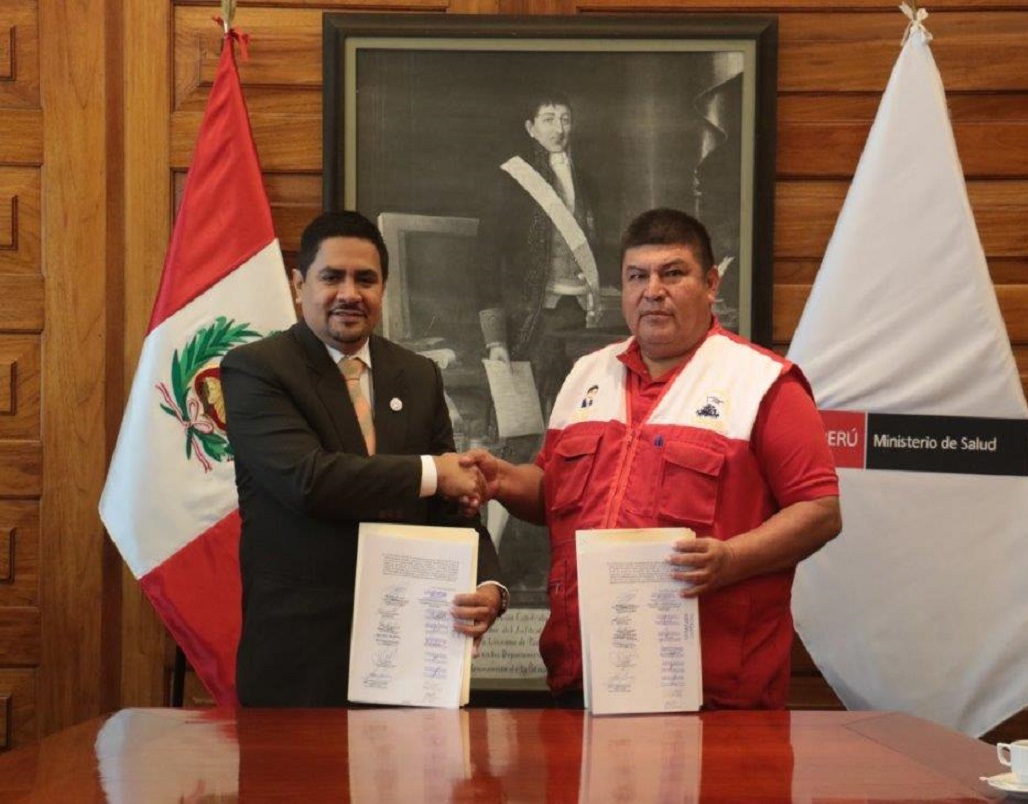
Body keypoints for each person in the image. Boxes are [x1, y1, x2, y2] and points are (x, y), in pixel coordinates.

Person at [468, 208, 842, 709]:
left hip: (715, 698)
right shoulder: (586, 374)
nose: (653, 291)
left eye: (673, 273)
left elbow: (820, 511)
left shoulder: (763, 382)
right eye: (637, 276)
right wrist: (502, 480)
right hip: (585, 682)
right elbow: (554, 494)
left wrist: (732, 559)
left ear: (711, 284)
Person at [221, 210, 507, 707]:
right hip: (300, 669)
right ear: (299, 285)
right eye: (332, 277)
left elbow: (451, 505)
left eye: (366, 280)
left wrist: (488, 583)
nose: (350, 293)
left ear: (383, 289)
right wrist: (433, 472)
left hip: (408, 664)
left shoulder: (418, 375)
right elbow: (310, 480)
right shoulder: (256, 370)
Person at [476, 90, 603, 416]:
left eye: (565, 119)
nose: (558, 129)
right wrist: (495, 339)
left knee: (578, 411)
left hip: (581, 315)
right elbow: (486, 259)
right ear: (530, 128)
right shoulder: (510, 181)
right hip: (532, 316)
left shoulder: (587, 181)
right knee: (529, 415)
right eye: (548, 120)